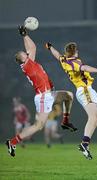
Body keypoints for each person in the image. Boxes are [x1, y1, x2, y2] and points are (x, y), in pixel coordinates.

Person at [6, 26, 77, 157]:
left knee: (69, 95)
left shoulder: (30, 62)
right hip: (43, 97)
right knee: (38, 126)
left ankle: (65, 121)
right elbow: (32, 48)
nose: (26, 53)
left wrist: (25, 34)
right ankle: (12, 142)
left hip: (48, 94)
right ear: (22, 59)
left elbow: (31, 48)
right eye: (24, 54)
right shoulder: (27, 65)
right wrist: (24, 35)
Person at [45, 42, 97, 159]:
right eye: (76, 50)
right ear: (75, 52)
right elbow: (85, 67)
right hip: (84, 90)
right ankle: (84, 144)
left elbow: (57, 55)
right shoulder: (74, 62)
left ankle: (85, 144)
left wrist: (50, 47)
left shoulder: (64, 60)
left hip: (85, 90)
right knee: (93, 118)